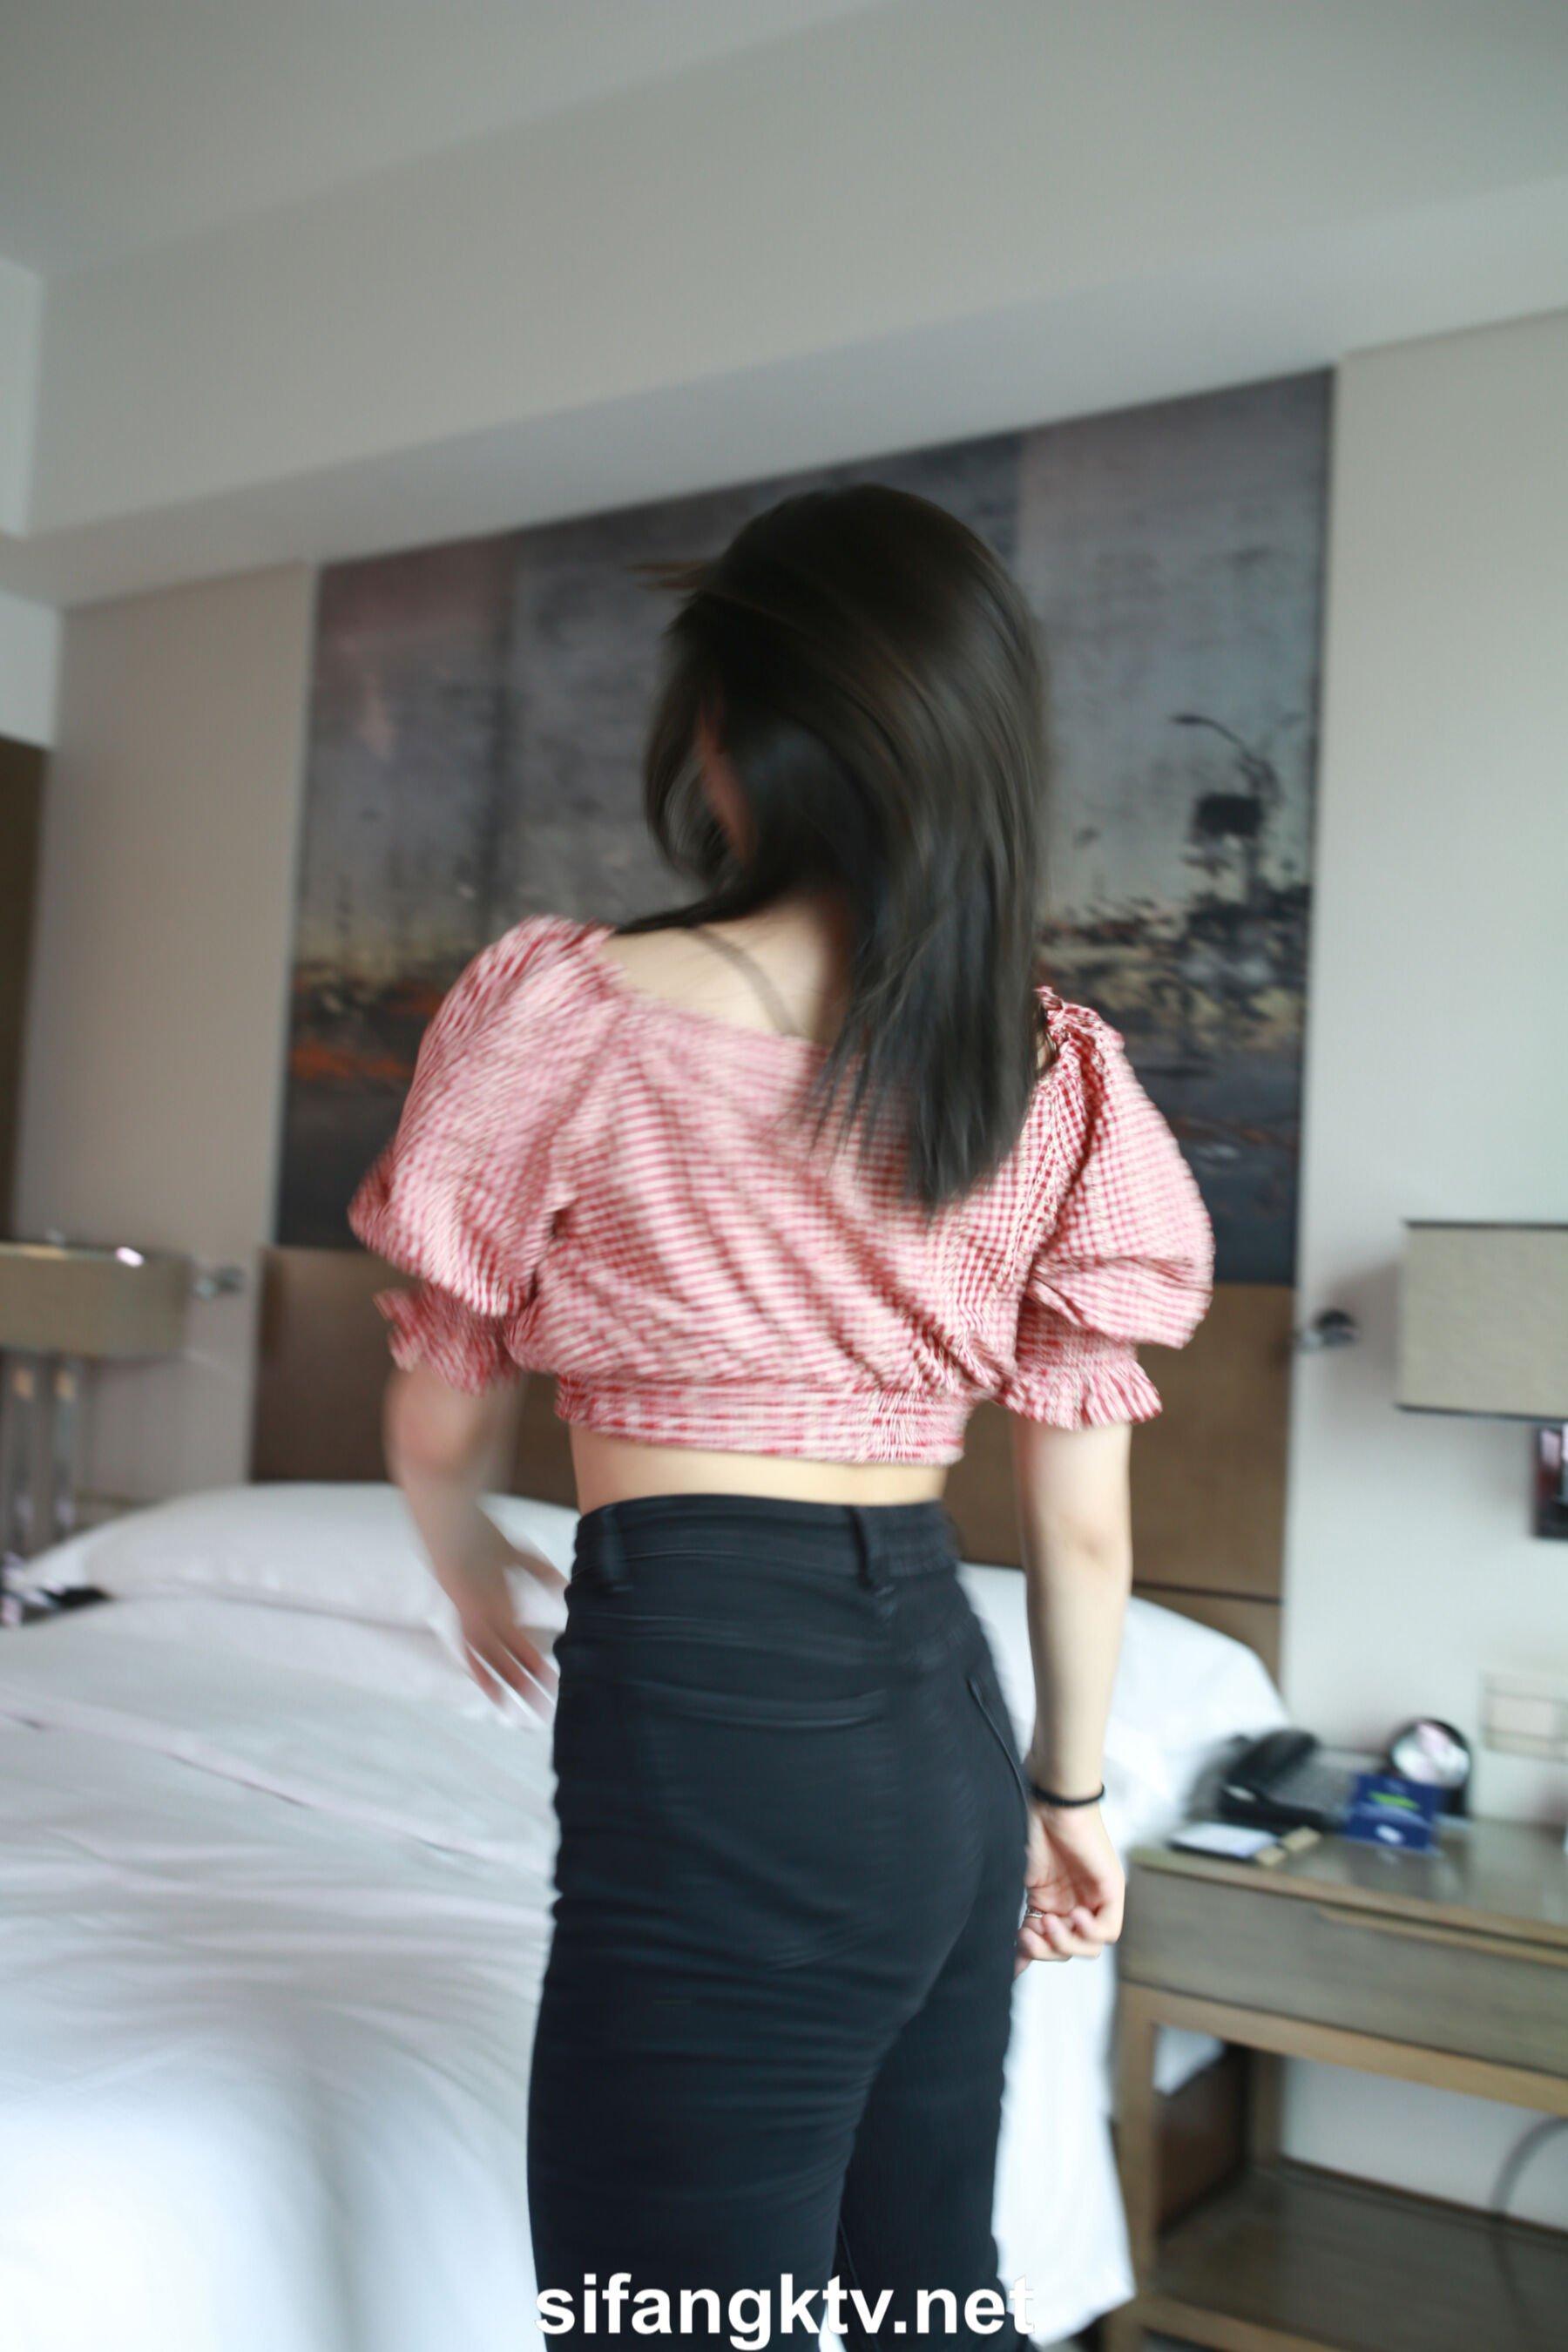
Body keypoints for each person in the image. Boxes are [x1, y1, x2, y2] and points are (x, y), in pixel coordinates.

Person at [347, 483, 1214, 2346]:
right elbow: (1079, 1521)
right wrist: (1067, 1797)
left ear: (727, 734)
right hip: (946, 1721)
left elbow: (438, 1411)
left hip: (721, 1704)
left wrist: (464, 1550)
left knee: (666, 2315)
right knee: (927, 2297)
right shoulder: (1042, 1069)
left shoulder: (573, 1011)